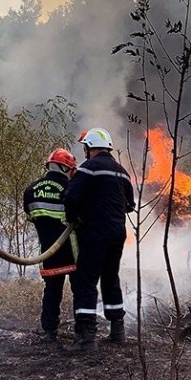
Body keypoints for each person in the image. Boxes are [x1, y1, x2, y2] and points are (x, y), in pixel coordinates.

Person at [63, 127, 135, 352]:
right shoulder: (122, 172)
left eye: (85, 147)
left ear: (90, 148)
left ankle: (87, 338)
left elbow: (71, 196)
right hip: (117, 234)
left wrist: (74, 218)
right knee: (110, 278)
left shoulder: (89, 168)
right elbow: (130, 205)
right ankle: (117, 331)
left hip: (95, 233)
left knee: (86, 281)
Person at [23, 148, 79, 342]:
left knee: (52, 291)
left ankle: (49, 331)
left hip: (47, 252)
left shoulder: (31, 190)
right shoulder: (72, 189)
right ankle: (81, 333)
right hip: (73, 251)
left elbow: (32, 217)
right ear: (66, 168)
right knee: (79, 290)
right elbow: (79, 218)